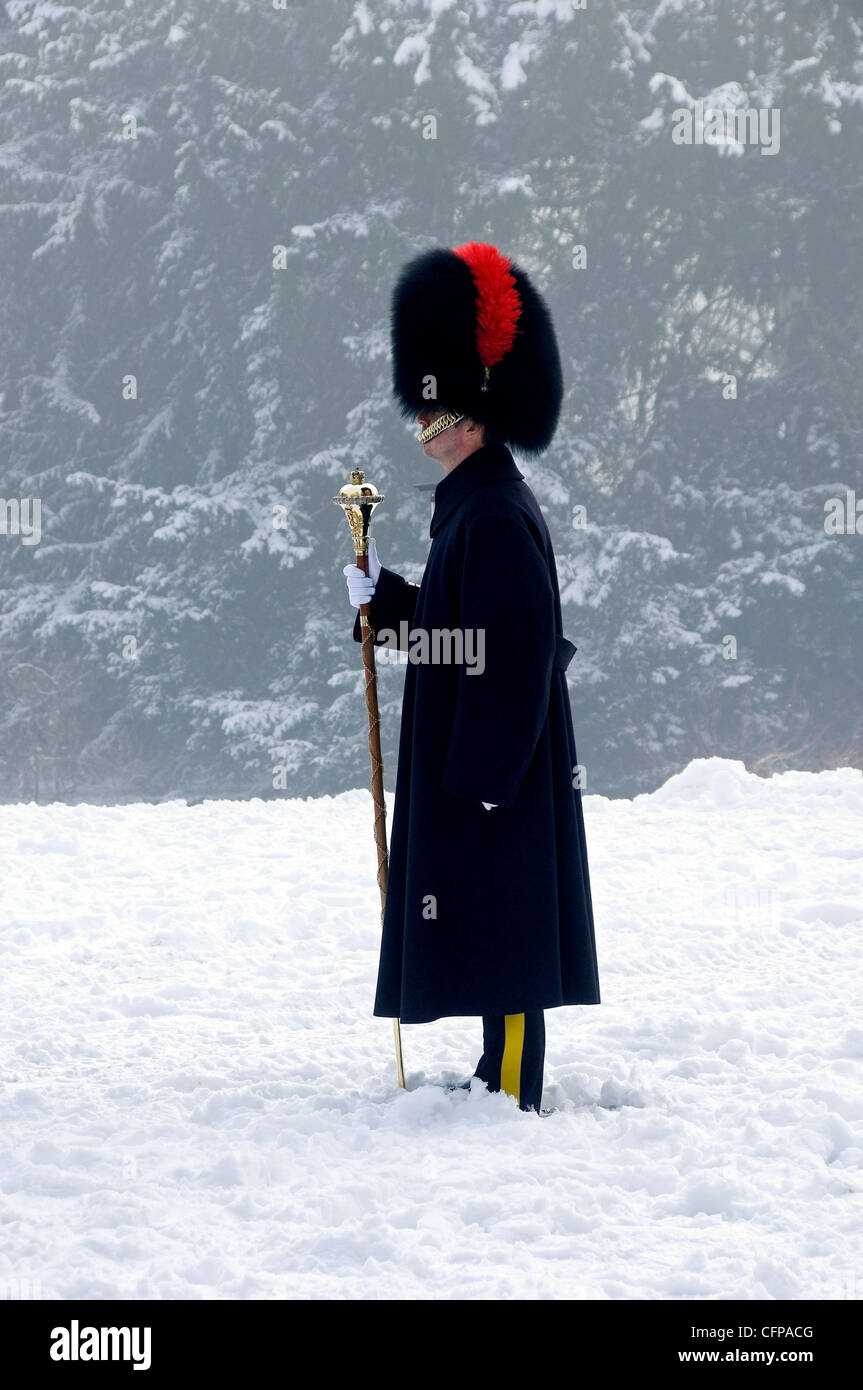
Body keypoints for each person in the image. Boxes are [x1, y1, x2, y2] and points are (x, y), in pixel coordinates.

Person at [343, 241, 600, 1112]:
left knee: (512, 929)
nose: (423, 426)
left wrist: (488, 775)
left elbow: (514, 653)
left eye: (438, 411)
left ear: (478, 417)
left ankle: (516, 1078)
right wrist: (385, 602)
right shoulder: (473, 505)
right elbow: (460, 635)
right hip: (480, 763)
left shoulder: (491, 511)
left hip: (499, 768)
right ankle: (497, 1071)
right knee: (494, 920)